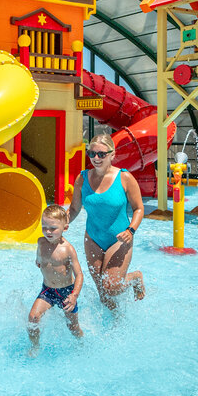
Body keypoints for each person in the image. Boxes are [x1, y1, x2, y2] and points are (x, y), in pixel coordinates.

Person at [68, 133, 146, 311]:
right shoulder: (82, 178)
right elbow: (73, 209)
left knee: (112, 288)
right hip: (93, 239)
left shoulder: (125, 178)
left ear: (112, 154)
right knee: (103, 294)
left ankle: (134, 277)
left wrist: (131, 230)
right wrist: (62, 222)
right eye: (92, 154)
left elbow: (139, 208)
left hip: (119, 239)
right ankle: (115, 326)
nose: (96, 158)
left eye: (101, 154)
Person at [27, 204, 83, 353]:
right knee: (33, 318)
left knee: (73, 327)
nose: (48, 231)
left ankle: (82, 345)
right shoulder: (41, 242)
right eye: (44, 227)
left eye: (53, 228)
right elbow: (40, 255)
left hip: (67, 292)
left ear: (65, 228)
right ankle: (35, 346)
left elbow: (79, 275)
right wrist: (39, 259)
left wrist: (74, 296)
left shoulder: (68, 250)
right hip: (48, 290)